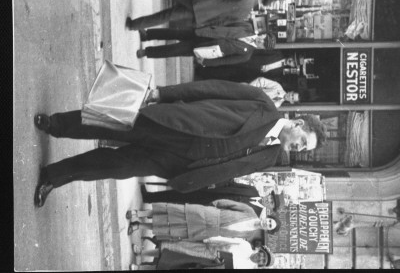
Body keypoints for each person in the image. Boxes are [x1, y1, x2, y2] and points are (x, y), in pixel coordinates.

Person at [33, 80, 327, 207]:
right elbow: (213, 88)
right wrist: (164, 94)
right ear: (298, 124)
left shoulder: (271, 157)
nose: (299, 149)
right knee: (113, 123)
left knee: (117, 165)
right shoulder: (262, 104)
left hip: (181, 163)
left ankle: (53, 176)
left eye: (304, 150)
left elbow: (227, 171)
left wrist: (191, 181)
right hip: (178, 126)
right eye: (303, 142)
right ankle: (56, 125)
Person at [126, 0, 277, 31]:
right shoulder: (246, 12)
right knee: (168, 15)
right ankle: (134, 25)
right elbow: (223, 22)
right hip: (201, 15)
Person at [125, 199, 282, 238]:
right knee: (174, 212)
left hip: (206, 231)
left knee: (173, 228)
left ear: (267, 229)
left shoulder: (248, 236)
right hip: (208, 214)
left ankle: (140, 226)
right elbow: (228, 203)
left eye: (269, 226)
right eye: (269, 221)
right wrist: (213, 204)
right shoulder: (249, 211)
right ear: (267, 217)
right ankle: (139, 214)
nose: (266, 223)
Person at [135, 26, 276, 67]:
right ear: (263, 34)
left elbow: (226, 61)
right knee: (175, 32)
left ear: (262, 48)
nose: (261, 41)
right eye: (264, 38)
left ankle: (147, 52)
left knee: (175, 50)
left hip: (206, 48)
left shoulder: (247, 54)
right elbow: (227, 22)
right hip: (206, 32)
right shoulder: (247, 28)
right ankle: (147, 35)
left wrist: (206, 62)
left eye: (264, 44)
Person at [140, 183, 283, 216]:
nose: (268, 199)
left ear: (270, 208)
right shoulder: (253, 190)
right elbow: (232, 184)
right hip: (211, 192)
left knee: (179, 208)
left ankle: (152, 213)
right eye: (270, 197)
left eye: (271, 202)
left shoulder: (256, 214)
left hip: (212, 208)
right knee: (179, 193)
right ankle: (150, 197)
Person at [130, 236, 275, 269]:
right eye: (263, 255)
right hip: (206, 251)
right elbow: (225, 240)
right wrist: (210, 239)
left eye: (262, 261)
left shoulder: (248, 268)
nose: (260, 259)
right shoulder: (245, 245)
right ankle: (141, 253)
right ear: (261, 250)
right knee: (173, 250)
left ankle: (140, 267)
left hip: (209, 267)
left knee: (175, 265)